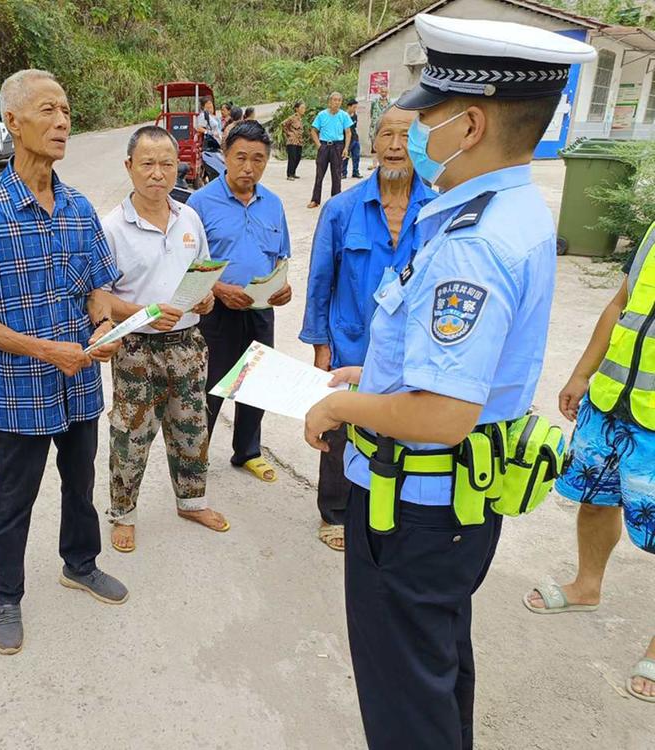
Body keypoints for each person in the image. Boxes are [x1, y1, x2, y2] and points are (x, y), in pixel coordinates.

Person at [302, 14, 596, 748]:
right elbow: (451, 366)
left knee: (404, 697)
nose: (412, 129)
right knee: (433, 668)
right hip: (450, 507)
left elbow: (441, 414)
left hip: (415, 508)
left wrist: (340, 403)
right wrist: (369, 372)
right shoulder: (508, 209)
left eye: (425, 114)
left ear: (467, 124)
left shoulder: (473, 244)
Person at [0, 69, 128, 657]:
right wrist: (46, 349)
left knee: (80, 483)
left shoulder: (78, 208)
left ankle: (80, 563)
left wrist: (104, 324)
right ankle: (6, 597)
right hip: (21, 390)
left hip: (81, 387)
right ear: (14, 122)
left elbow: (98, 288)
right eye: (48, 111)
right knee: (13, 497)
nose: (62, 122)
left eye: (67, 111)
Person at [523, 219, 655, 703]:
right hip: (613, 400)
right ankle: (587, 585)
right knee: (597, 500)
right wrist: (583, 373)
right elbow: (621, 304)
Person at [299, 106, 436, 551]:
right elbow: (320, 280)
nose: (395, 146)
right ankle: (335, 511)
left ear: (419, 145)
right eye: (387, 136)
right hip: (351, 345)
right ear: (372, 144)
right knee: (340, 430)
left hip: (413, 348)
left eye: (405, 137)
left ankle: (394, 508)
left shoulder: (438, 210)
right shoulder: (342, 210)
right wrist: (320, 345)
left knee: (406, 428)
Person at [101, 125, 227, 553]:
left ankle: (192, 501)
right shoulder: (113, 227)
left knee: (191, 428)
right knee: (131, 436)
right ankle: (123, 513)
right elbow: (97, 296)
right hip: (137, 351)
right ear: (129, 167)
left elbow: (203, 273)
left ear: (179, 167)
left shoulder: (189, 217)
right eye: (148, 164)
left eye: (167, 164)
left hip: (189, 344)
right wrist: (141, 315)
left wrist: (206, 300)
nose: (157, 173)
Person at [187, 121, 293, 484]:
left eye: (258, 159)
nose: (249, 167)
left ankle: (247, 451)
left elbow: (281, 258)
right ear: (225, 157)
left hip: (260, 310)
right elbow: (187, 264)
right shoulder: (200, 203)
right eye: (241, 157)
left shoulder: (273, 204)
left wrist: (283, 288)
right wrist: (218, 290)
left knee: (257, 382)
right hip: (215, 313)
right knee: (209, 384)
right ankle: (193, 456)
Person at [307, 92, 353, 208]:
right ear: (329, 101)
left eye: (339, 100)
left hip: (338, 146)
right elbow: (313, 131)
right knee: (319, 174)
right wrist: (319, 146)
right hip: (324, 146)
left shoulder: (344, 115)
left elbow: (348, 132)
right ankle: (315, 200)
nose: (337, 102)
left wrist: (346, 148)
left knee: (337, 174)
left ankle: (336, 200)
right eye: (334, 100)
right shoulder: (321, 115)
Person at [282, 101, 306, 181]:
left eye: (304, 108)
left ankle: (293, 172)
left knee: (298, 157)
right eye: (302, 108)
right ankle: (289, 174)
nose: (304, 109)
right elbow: (284, 124)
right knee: (292, 158)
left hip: (299, 141)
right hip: (292, 141)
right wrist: (289, 133)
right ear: (296, 109)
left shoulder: (300, 118)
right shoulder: (292, 118)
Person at [369, 86, 392, 170]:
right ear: (379, 92)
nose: (384, 94)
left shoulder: (390, 103)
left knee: (386, 145)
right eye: (382, 92)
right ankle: (374, 164)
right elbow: (371, 113)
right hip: (375, 127)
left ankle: (383, 163)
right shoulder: (374, 102)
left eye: (385, 92)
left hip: (385, 126)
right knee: (374, 145)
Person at [341, 97, 362, 179]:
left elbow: (354, 127)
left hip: (355, 138)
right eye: (354, 107)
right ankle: (343, 172)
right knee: (345, 157)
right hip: (347, 139)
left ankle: (355, 172)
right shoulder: (344, 116)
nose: (355, 109)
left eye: (356, 107)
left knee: (356, 156)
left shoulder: (355, 116)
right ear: (349, 107)